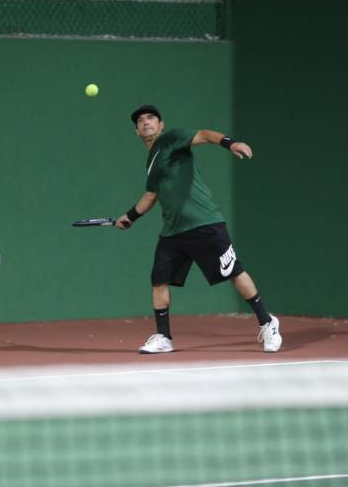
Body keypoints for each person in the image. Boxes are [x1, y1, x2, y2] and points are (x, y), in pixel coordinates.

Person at [115, 104, 283, 354]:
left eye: (151, 118)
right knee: (159, 281)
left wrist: (230, 143)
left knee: (234, 272)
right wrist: (129, 217)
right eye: (140, 121)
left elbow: (204, 134)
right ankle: (163, 337)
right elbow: (151, 196)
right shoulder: (152, 162)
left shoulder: (170, 139)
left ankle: (267, 322)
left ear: (161, 125)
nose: (146, 122)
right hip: (172, 231)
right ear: (136, 132)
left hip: (204, 223)